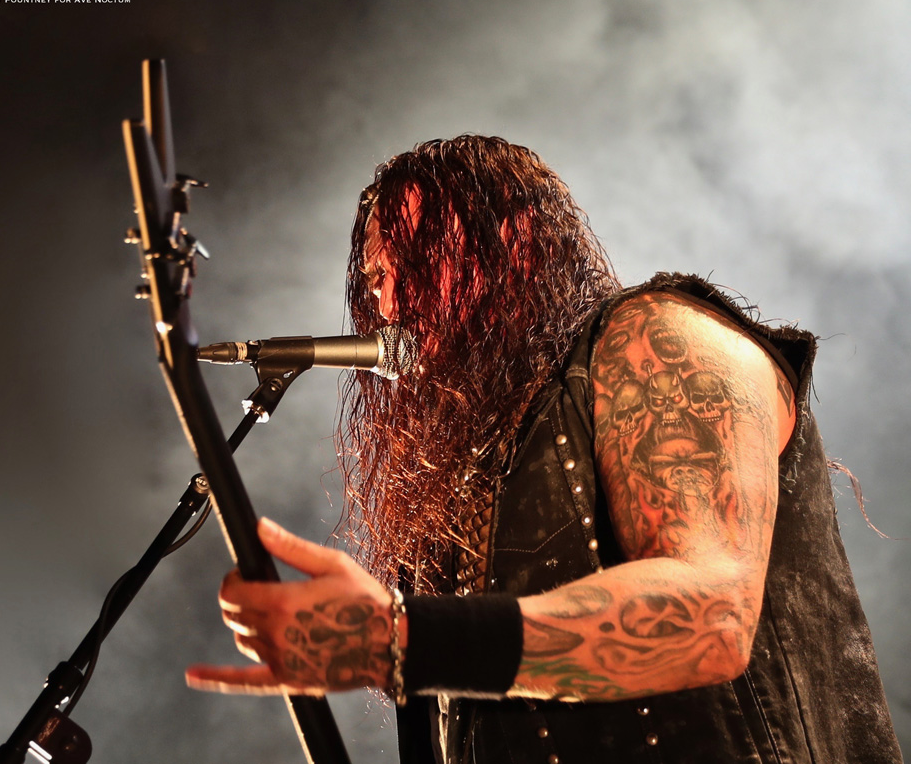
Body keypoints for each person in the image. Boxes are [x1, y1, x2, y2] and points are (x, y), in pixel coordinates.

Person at [185, 136, 903, 763]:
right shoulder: (471, 487)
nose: (391, 304)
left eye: (416, 261)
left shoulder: (655, 340)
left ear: (515, 243)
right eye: (376, 281)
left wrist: (402, 639)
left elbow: (710, 614)